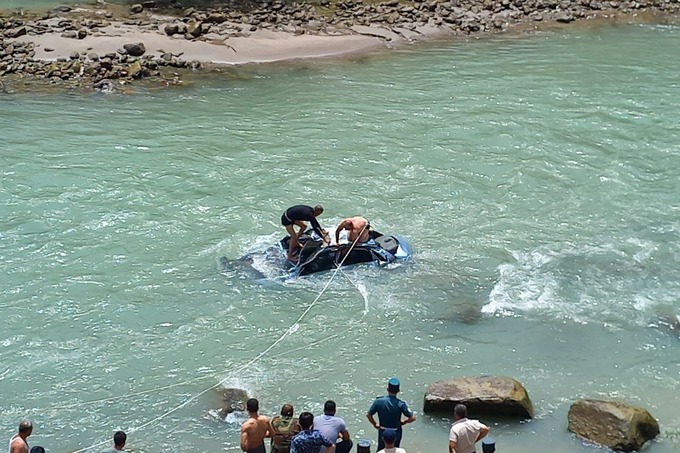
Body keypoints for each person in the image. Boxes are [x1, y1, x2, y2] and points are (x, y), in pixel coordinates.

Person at [366, 378, 416, 451]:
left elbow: (369, 415)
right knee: (395, 450)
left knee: (381, 450)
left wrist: (375, 424)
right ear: (398, 391)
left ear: (387, 389)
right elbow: (413, 417)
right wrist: (404, 422)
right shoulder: (401, 404)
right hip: (396, 431)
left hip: (383, 430)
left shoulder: (379, 401)